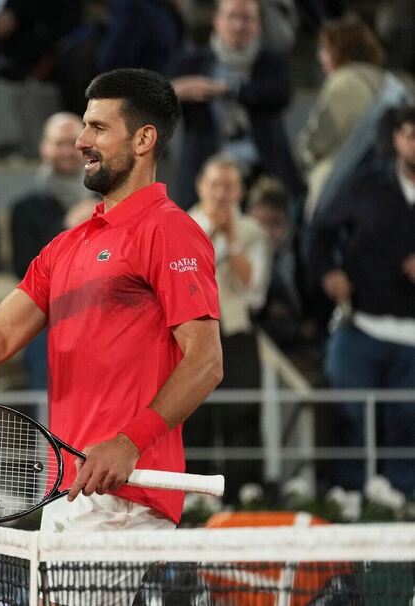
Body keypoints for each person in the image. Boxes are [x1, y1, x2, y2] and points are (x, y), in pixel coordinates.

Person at [0, 68, 223, 604]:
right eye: (84, 126)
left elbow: (205, 361)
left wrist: (129, 441)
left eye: (99, 128)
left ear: (144, 139)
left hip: (125, 496)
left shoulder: (170, 229)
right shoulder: (65, 247)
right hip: (70, 490)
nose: (82, 140)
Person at [306, 104, 415, 494]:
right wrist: (328, 273)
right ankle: (345, 502)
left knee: (408, 429)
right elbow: (319, 233)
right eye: (409, 134)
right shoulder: (365, 185)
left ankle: (404, 511)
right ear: (396, 139)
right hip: (360, 325)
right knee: (348, 420)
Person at [185, 155, 271, 496]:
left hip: (235, 333)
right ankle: (192, 496)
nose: (221, 194)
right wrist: (209, 233)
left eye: (229, 186)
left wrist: (232, 238)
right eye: (214, 185)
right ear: (200, 186)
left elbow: (254, 294)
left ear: (240, 192)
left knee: (243, 412)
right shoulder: (181, 226)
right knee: (193, 415)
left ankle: (245, 492)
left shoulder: (253, 233)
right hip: (189, 335)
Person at [166, 0, 303, 209]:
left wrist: (232, 90)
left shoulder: (272, 62)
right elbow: (156, 100)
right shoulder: (192, 62)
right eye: (232, 17)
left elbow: (281, 95)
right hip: (205, 171)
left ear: (258, 24)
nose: (239, 25)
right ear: (217, 21)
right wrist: (176, 91)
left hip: (263, 172)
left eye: (246, 18)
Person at [9, 112, 89, 391]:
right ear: (44, 147)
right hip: (47, 322)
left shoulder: (108, 198)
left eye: (72, 142)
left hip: (101, 317)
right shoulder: (26, 207)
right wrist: (67, 225)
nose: (66, 151)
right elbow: (23, 266)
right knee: (47, 408)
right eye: (59, 143)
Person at [297, 14, 388, 220]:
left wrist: (304, 153)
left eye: (324, 49)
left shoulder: (342, 81)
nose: (320, 56)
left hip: (341, 183)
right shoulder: (385, 80)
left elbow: (317, 139)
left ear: (339, 49)